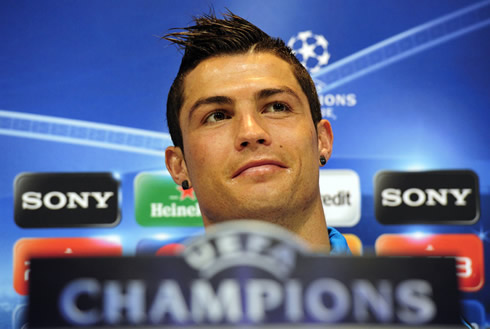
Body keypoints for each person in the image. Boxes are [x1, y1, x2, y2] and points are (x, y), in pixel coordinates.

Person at [163, 10, 350, 254]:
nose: (251, 132)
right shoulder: (123, 293)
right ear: (179, 166)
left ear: (322, 141)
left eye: (277, 107)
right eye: (217, 116)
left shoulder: (406, 291)